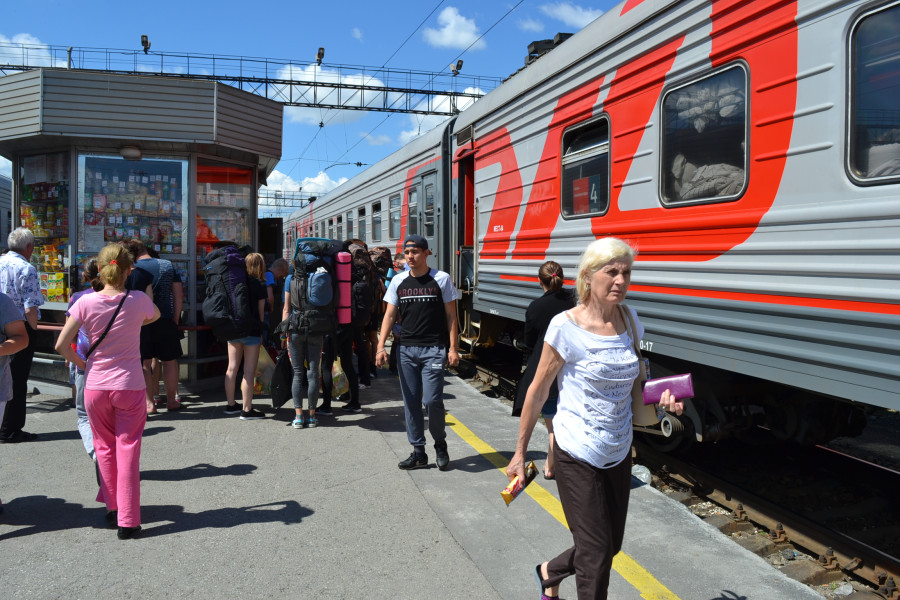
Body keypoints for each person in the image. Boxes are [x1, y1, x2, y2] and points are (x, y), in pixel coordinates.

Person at [506, 238, 685, 600]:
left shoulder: (630, 320)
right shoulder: (565, 326)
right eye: (612, 272)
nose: (621, 280)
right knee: (596, 556)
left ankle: (548, 572)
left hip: (618, 449)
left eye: (627, 272)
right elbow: (537, 393)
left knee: (608, 547)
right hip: (576, 450)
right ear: (588, 276)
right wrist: (520, 452)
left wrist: (665, 402)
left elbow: (637, 385)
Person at [55, 244, 159, 540]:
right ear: (129, 270)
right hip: (130, 385)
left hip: (96, 386)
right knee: (128, 450)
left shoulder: (84, 303)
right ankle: (129, 521)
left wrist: (83, 365)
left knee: (104, 449)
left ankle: (113, 508)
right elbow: (155, 315)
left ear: (99, 270)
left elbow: (61, 345)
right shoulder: (137, 300)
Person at [375, 235, 459, 471]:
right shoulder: (398, 281)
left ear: (426, 253)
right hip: (406, 350)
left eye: (415, 252)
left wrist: (453, 348)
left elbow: (452, 316)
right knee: (411, 403)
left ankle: (440, 443)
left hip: (433, 348)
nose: (410, 257)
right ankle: (418, 451)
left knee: (432, 400)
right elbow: (389, 315)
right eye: (407, 252)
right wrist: (381, 346)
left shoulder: (441, 279)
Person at [512, 261, 575, 480]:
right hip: (573, 368)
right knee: (562, 418)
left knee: (552, 421)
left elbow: (529, 342)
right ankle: (551, 464)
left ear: (540, 282)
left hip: (548, 369)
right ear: (562, 278)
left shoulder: (536, 307)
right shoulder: (576, 300)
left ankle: (552, 467)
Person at [122, 239, 184, 413]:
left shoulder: (129, 270)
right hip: (164, 319)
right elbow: (178, 295)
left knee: (144, 364)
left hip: (140, 323)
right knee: (170, 361)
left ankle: (149, 403)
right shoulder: (167, 265)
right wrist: (175, 319)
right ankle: (172, 400)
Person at [0, 228, 44, 444]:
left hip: (1, 328)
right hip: (19, 330)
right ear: (29, 248)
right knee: (18, 380)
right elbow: (30, 309)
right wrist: (33, 331)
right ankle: (10, 429)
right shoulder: (26, 268)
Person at [67, 258, 104, 461]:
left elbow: (70, 335)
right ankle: (110, 455)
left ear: (85, 275)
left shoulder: (78, 298)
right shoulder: (119, 296)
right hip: (112, 363)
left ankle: (96, 454)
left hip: (84, 360)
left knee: (84, 414)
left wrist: (75, 360)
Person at [223, 252, 267, 420]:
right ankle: (246, 410)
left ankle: (230, 405)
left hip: (233, 330)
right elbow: (261, 314)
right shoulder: (259, 284)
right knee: (248, 372)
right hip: (252, 332)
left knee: (231, 368)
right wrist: (262, 332)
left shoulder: (234, 282)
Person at [264, 258, 290, 347]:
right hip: (267, 313)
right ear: (278, 269)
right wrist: (271, 307)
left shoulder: (267, 273)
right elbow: (270, 297)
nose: (280, 278)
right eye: (281, 275)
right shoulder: (269, 275)